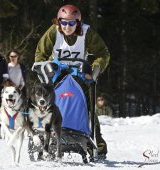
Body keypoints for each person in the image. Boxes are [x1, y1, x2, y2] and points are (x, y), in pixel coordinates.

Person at [34, 4, 110, 158]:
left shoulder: (87, 33)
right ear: (58, 21)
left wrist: (95, 69)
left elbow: (103, 53)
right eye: (63, 22)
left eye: (71, 23)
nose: (67, 27)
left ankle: (97, 146)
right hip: (56, 74)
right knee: (47, 104)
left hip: (79, 75)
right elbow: (40, 54)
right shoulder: (53, 31)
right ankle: (42, 138)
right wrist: (44, 70)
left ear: (78, 22)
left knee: (89, 108)